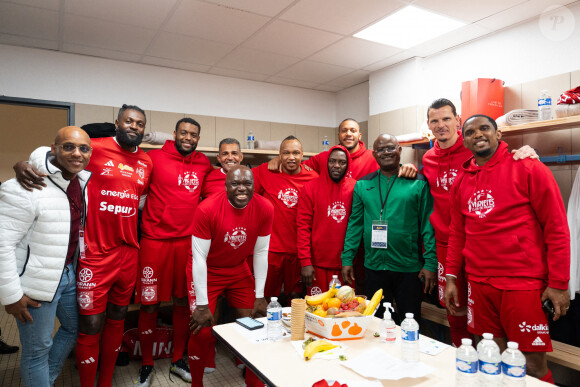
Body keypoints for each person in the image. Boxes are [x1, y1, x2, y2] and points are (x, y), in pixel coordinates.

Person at [14, 104, 153, 386]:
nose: (133, 127)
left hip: (128, 253)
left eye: (139, 124)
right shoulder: (95, 148)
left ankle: (105, 382)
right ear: (117, 123)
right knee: (89, 324)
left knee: (118, 317)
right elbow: (53, 153)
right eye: (129, 121)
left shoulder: (147, 162)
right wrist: (27, 163)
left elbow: (138, 201)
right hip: (95, 252)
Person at [444, 115, 570, 384]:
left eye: (485, 128)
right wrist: (452, 277)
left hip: (522, 285)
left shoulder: (527, 167)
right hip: (479, 284)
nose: (478, 134)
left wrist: (559, 283)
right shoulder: (461, 181)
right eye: (470, 131)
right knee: (492, 358)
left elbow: (556, 226)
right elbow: (457, 234)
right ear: (463, 139)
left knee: (532, 367)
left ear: (498, 134)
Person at [419, 98, 538, 347]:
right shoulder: (428, 158)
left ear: (457, 120)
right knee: (454, 309)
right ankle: (461, 360)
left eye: (446, 119)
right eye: (435, 121)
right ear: (428, 125)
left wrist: (527, 151)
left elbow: (505, 160)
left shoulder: (474, 147)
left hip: (479, 247)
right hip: (445, 245)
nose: (441, 125)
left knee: (484, 322)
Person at [0, 126, 92, 386]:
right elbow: (2, 244)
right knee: (37, 351)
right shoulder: (25, 185)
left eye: (83, 148)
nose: (77, 153)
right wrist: (12, 296)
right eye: (68, 147)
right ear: (54, 148)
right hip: (34, 285)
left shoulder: (81, 181)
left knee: (73, 328)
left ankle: (45, 381)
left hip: (67, 275)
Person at [135, 117, 212, 386]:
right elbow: (138, 194)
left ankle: (178, 359)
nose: (188, 137)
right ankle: (146, 364)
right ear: (175, 134)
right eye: (184, 132)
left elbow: (217, 187)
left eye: (193, 134)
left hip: (187, 243)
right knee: (149, 303)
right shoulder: (153, 158)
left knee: (183, 303)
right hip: (155, 241)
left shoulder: (203, 163)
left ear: (198, 138)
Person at [187, 165, 274, 387]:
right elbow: (198, 259)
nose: (241, 189)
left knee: (257, 323)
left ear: (255, 186)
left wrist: (260, 294)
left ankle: (254, 382)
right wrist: (202, 304)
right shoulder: (207, 209)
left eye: (247, 184)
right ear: (225, 185)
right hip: (207, 270)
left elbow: (262, 252)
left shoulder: (265, 207)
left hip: (237, 269)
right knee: (203, 330)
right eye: (235, 184)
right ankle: (197, 383)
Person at [341, 134, 437, 323]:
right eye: (381, 150)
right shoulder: (363, 185)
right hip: (374, 267)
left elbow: (428, 225)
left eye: (391, 148)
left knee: (409, 321)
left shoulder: (417, 182)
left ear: (399, 151)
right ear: (374, 154)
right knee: (375, 322)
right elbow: (355, 224)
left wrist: (430, 263)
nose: (386, 153)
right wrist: (347, 258)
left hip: (409, 268)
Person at [253, 136, 318, 302]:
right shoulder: (265, 172)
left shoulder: (313, 179)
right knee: (266, 297)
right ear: (279, 155)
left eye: (296, 153)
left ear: (303, 155)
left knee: (296, 297)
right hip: (271, 251)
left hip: (299, 252)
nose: (291, 157)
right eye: (286, 153)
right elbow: (238, 177)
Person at [297, 145, 356, 295]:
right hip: (316, 266)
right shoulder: (310, 188)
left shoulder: (355, 188)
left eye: (341, 162)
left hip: (345, 266)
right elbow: (303, 227)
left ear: (348, 164)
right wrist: (305, 262)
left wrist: (349, 261)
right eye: (332, 161)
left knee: (345, 310)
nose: (336, 166)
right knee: (317, 312)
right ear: (326, 162)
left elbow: (356, 227)